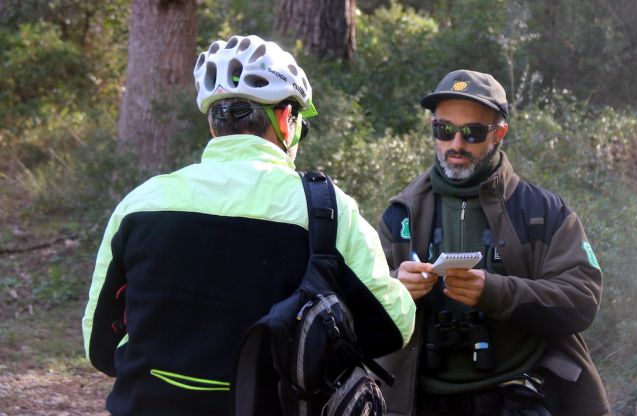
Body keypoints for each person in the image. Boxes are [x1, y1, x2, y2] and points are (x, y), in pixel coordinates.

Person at [81, 34, 416, 416]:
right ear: (288, 121)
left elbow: (99, 346)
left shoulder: (140, 203)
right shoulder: (325, 208)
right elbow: (392, 327)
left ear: (214, 124)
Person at [376, 69, 610, 416]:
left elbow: (582, 298)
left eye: (472, 132)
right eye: (444, 130)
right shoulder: (400, 214)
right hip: (419, 400)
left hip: (517, 394)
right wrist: (396, 286)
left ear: (499, 133)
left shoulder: (541, 212)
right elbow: (357, 305)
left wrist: (496, 293)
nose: (456, 144)